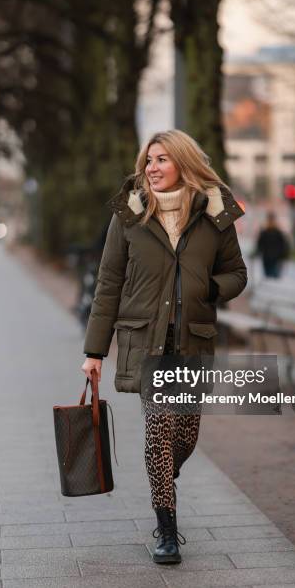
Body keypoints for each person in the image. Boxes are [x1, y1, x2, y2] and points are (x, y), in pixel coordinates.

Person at [81, 129, 247, 565]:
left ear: (184, 163)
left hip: (193, 341)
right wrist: (94, 353)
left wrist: (209, 288)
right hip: (145, 343)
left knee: (185, 437)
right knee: (158, 432)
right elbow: (109, 283)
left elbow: (237, 273)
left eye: (161, 160)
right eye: (148, 160)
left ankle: (163, 475)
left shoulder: (215, 213)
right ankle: (167, 530)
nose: (151, 168)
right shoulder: (130, 214)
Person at [255, 211, 290, 278]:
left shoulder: (277, 232)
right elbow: (260, 244)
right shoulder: (265, 232)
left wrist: (284, 256)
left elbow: (283, 246)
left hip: (275, 259)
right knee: (269, 276)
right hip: (267, 259)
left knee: (273, 276)